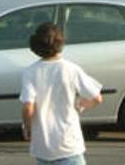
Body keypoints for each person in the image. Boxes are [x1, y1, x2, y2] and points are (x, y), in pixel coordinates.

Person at [20, 23, 102, 165]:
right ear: (61, 43)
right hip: (69, 144)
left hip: (43, 147)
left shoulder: (30, 72)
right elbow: (96, 98)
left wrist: (28, 127)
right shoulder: (71, 69)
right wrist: (81, 104)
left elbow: (28, 107)